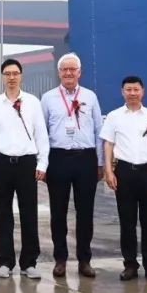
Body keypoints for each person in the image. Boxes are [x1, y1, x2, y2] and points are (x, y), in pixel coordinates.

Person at [100, 75, 147, 283]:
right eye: (128, 89)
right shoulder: (114, 116)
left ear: (142, 91)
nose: (132, 93)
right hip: (124, 172)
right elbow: (108, 144)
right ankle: (130, 264)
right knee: (127, 221)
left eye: (136, 89)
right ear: (122, 92)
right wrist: (109, 171)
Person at [41, 53, 104, 279]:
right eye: (64, 69)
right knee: (58, 212)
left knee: (85, 211)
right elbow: (42, 133)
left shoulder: (90, 97)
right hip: (58, 158)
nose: (68, 73)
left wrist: (100, 162)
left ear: (79, 72)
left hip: (85, 158)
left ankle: (84, 260)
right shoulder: (48, 98)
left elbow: (99, 130)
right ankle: (60, 259)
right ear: (59, 72)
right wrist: (43, 163)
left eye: (72, 69)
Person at [0, 58, 49, 279]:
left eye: (15, 73)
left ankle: (29, 263)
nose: (11, 77)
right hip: (2, 163)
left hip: (26, 164)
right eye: (7, 74)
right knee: (3, 214)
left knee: (29, 213)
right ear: (2, 77)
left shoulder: (32, 102)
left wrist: (42, 163)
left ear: (21, 76)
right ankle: (5, 262)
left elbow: (41, 135)